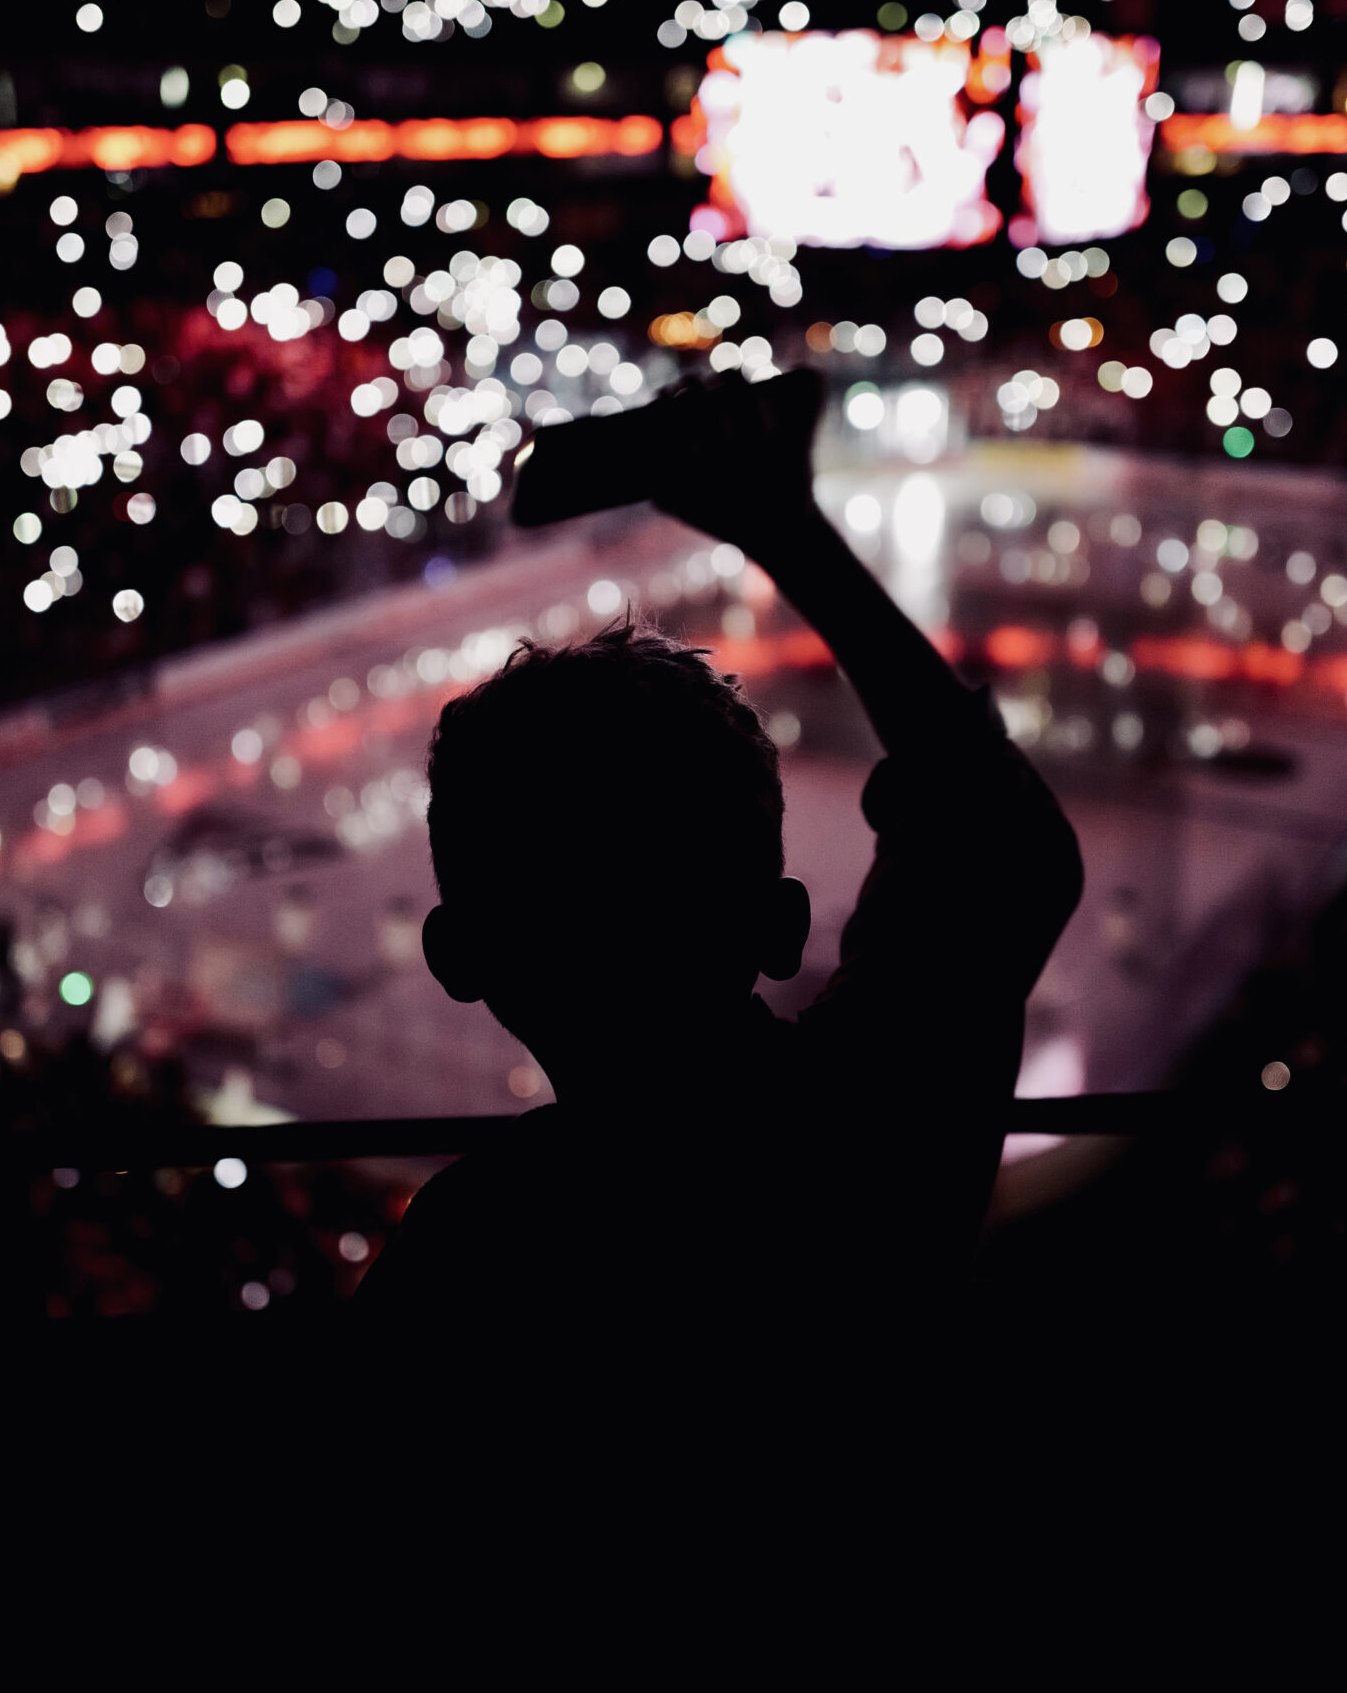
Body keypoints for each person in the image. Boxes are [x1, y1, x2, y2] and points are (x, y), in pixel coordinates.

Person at [358, 368, 1082, 1445]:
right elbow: (998, 844)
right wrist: (785, 528)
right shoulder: (872, 1132)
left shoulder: (469, 1252)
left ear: (460, 956)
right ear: (781, 927)